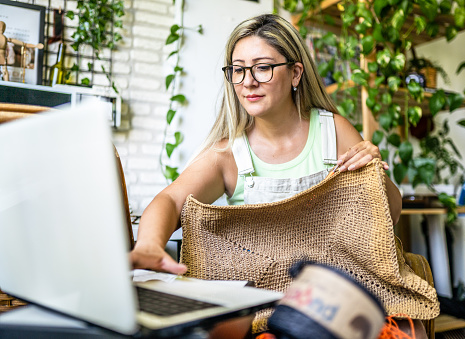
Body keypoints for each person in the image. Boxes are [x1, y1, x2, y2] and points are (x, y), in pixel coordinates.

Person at [130, 13, 426, 338]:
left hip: (337, 303)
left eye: (262, 67)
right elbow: (170, 199)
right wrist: (149, 244)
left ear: (295, 72)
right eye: (238, 69)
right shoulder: (229, 154)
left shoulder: (332, 132)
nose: (248, 81)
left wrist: (375, 175)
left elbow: (390, 214)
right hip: (265, 312)